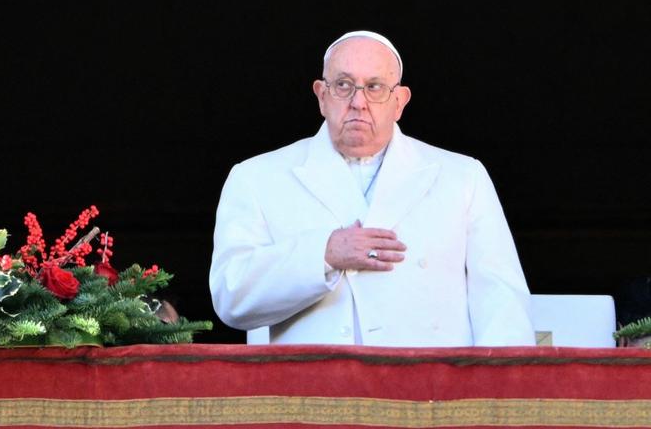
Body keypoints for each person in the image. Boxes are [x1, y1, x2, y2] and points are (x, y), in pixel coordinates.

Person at [209, 31, 535, 346]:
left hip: (431, 393)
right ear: (322, 96)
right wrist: (323, 254)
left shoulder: (463, 176)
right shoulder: (256, 177)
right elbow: (230, 294)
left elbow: (501, 303)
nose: (358, 102)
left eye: (375, 87)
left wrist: (501, 394)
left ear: (399, 101)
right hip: (313, 393)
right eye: (344, 86)